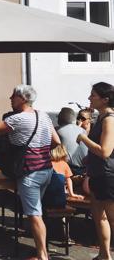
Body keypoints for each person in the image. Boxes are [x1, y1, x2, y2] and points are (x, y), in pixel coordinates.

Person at [0, 85, 60, 260]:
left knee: (35, 215)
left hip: (29, 173)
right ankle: (40, 251)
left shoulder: (18, 119)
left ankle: (42, 256)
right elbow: (56, 141)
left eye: (13, 96)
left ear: (23, 99)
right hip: (46, 170)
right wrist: (40, 152)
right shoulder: (44, 116)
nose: (10, 98)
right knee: (37, 211)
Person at [76, 82, 114, 260]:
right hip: (97, 173)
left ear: (105, 99)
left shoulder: (109, 120)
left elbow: (105, 151)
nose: (89, 98)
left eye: (93, 95)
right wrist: (89, 157)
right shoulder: (100, 118)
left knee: (111, 218)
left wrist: (83, 138)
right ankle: (104, 255)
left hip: (108, 175)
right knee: (99, 217)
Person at [56, 107, 89, 175]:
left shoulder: (57, 130)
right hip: (85, 169)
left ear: (61, 118)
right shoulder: (83, 131)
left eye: (58, 116)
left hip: (70, 169)